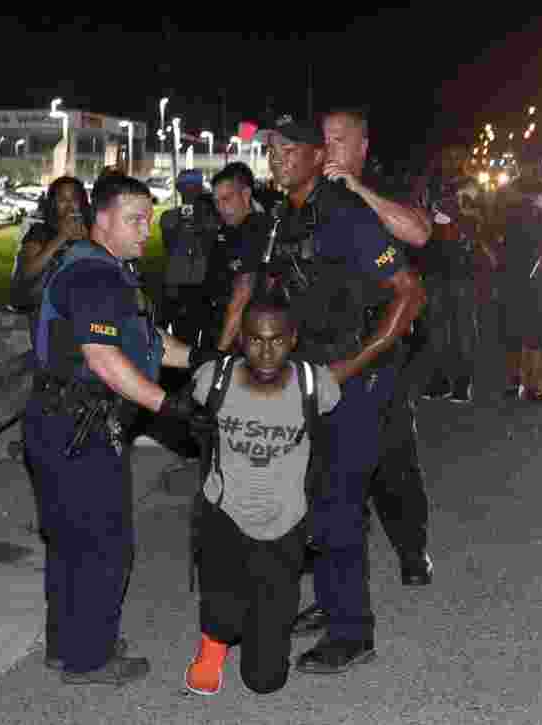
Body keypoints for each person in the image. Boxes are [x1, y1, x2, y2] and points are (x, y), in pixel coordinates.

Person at [24, 174, 220, 686]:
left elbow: (145, 340)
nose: (145, 229)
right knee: (103, 544)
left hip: (61, 421)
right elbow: (104, 357)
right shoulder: (94, 277)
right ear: (102, 219)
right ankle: (90, 658)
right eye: (134, 219)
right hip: (79, 426)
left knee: (69, 540)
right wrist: (170, 406)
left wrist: (200, 358)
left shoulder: (103, 267)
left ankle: (69, 644)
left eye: (149, 218)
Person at [262, 114, 425, 674]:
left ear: (313, 158)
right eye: (272, 149)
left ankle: (353, 631)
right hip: (310, 374)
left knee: (337, 502)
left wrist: (349, 367)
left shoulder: (347, 214)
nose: (276, 157)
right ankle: (334, 604)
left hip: (356, 379)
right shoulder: (290, 215)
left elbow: (410, 294)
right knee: (311, 498)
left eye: (288, 149)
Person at [183, 292, 341, 696]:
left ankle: (263, 637)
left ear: (292, 338)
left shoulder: (314, 385)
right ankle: (212, 648)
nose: (266, 351)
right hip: (226, 513)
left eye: (276, 339)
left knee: (265, 680)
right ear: (241, 340)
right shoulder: (213, 381)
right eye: (255, 339)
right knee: (222, 605)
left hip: (285, 521)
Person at [316, 106, 434, 592]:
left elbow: (420, 232)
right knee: (331, 467)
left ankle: (412, 549)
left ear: (362, 147)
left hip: (381, 345)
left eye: (340, 140)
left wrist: (358, 189)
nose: (330, 150)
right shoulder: (314, 195)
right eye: (324, 140)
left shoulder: (383, 185)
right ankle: (337, 580)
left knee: (392, 463)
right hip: (329, 346)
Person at [416, 146, 480, 404]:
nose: (452, 160)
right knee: (436, 327)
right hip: (434, 266)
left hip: (462, 266)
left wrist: (454, 216)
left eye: (457, 156)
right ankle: (440, 379)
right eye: (448, 155)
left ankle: (463, 382)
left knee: (463, 327)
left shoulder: (471, 185)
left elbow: (478, 219)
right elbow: (418, 217)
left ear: (464, 159)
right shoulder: (430, 184)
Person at [493, 170, 542, 402]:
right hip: (513, 268)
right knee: (514, 326)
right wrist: (499, 251)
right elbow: (491, 225)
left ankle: (530, 384)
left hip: (540, 268)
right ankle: (514, 382)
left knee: (537, 326)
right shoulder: (506, 192)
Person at [205, 162, 273, 354]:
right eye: (216, 201)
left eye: (226, 199)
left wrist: (219, 352)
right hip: (224, 326)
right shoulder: (230, 229)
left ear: (246, 195)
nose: (220, 208)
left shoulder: (255, 229)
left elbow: (242, 296)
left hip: (242, 338)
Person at [10, 176, 92, 325]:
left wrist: (88, 242)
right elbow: (27, 273)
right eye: (62, 200)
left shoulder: (92, 232)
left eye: (74, 199)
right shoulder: (40, 231)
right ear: (53, 203)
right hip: (42, 304)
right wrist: (61, 238)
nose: (69, 206)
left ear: (82, 202)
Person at [159, 168, 219, 346]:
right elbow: (170, 244)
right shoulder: (169, 217)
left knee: (208, 338)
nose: (190, 192)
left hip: (204, 283)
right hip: (180, 282)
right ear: (179, 189)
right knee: (183, 337)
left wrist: (202, 221)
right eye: (187, 187)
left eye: (194, 187)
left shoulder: (212, 218)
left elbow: (211, 244)